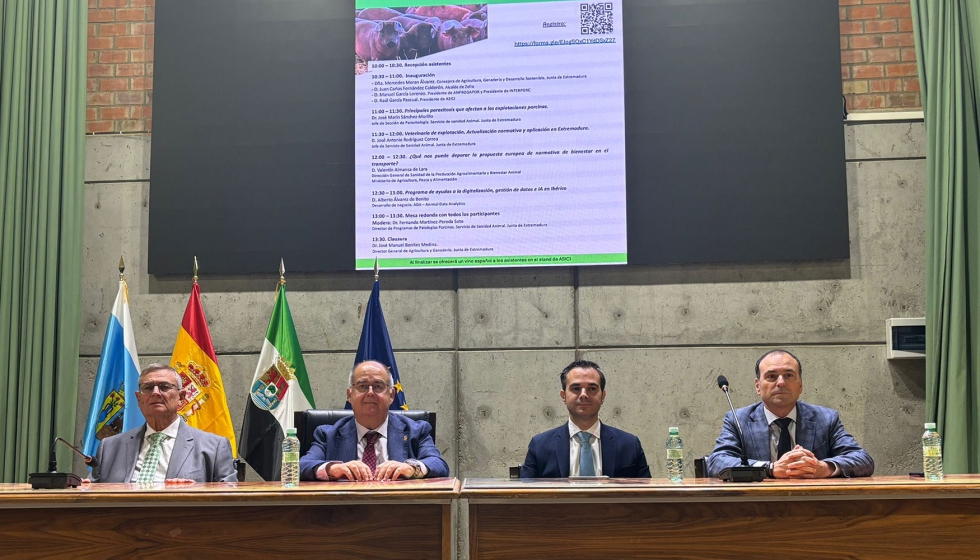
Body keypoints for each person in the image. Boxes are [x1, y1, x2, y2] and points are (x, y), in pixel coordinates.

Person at [707, 349, 874, 479]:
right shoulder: (738, 420)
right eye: (771, 376)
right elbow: (717, 462)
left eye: (788, 375)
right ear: (758, 386)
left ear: (800, 385)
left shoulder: (826, 418)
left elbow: (863, 460)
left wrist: (823, 468)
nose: (781, 383)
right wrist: (769, 469)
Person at [300, 360, 449, 481]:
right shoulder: (328, 434)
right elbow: (301, 466)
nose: (370, 393)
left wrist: (411, 468)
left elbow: (438, 464)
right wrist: (332, 468)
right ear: (349, 395)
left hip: (401, 511)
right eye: (362, 386)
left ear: (391, 395)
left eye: (378, 386)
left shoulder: (416, 431)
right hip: (342, 513)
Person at [91, 364, 237, 483]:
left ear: (181, 397)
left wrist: (195, 492)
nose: (155, 393)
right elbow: (92, 495)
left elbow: (230, 499)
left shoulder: (214, 446)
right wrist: (85, 490)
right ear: (138, 398)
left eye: (164, 387)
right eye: (148, 388)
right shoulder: (109, 447)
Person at [521, 360, 651, 478]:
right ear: (563, 396)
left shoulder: (630, 445)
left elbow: (647, 499)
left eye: (592, 389)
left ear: (603, 396)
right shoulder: (539, 446)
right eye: (576, 388)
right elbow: (525, 498)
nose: (584, 395)